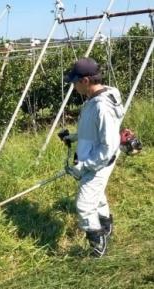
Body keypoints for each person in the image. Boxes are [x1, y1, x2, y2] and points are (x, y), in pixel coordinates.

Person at [62, 57, 124, 258]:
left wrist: (85, 166)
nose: (74, 86)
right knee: (96, 196)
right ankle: (106, 227)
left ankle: (98, 246)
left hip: (98, 163)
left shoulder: (101, 106)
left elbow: (108, 145)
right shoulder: (97, 98)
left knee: (84, 205)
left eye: (75, 82)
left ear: (85, 81)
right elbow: (93, 130)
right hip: (96, 160)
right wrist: (73, 136)